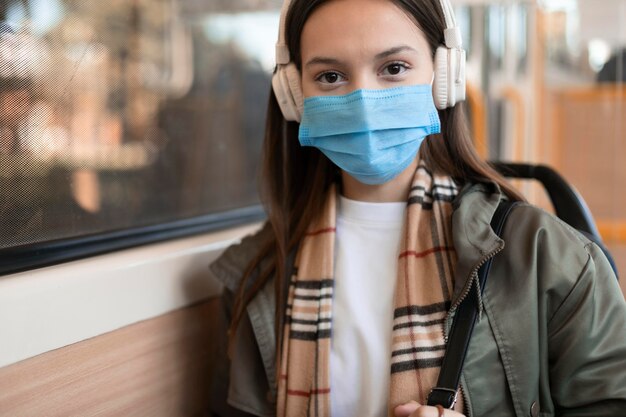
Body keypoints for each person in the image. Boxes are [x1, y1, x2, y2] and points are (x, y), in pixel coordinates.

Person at [208, 0, 626, 416]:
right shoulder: (257, 276)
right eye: (330, 76)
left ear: (444, 77)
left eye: (393, 68)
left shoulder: (548, 256)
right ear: (295, 97)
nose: (363, 101)